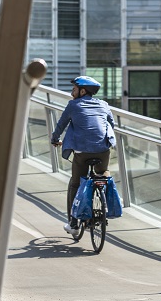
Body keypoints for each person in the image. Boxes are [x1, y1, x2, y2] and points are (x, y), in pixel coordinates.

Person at [50, 75, 116, 234]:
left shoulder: (73, 105)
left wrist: (55, 139)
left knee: (75, 183)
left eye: (74, 89)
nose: (72, 92)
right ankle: (104, 200)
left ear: (83, 91)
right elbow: (111, 124)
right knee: (102, 174)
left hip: (82, 151)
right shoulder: (104, 105)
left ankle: (73, 224)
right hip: (103, 149)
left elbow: (61, 125)